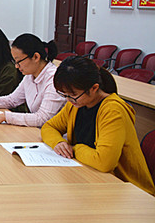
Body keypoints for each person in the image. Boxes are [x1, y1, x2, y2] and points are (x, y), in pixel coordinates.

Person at [42, 56, 154, 196]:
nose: (69, 100)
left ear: (94, 88)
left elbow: (104, 162)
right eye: (65, 95)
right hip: (90, 176)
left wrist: (75, 149)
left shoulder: (112, 110)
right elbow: (49, 127)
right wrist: (58, 142)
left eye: (73, 95)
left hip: (128, 189)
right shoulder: (76, 105)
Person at [0, 33, 65, 127]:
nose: (16, 66)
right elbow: (12, 100)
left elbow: (42, 118)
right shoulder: (30, 75)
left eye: (19, 62)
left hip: (52, 133)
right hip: (35, 130)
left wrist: (6, 117)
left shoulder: (53, 79)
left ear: (36, 57)